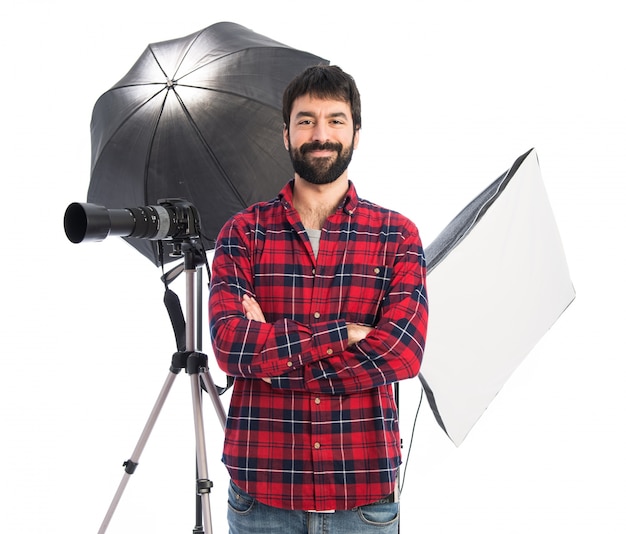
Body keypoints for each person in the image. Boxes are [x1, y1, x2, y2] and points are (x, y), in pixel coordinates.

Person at [208, 65, 428, 533]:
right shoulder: (242, 234)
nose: (320, 133)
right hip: (262, 497)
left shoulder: (397, 236)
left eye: (335, 119)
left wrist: (272, 361)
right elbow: (230, 347)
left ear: (356, 133)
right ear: (285, 134)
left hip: (364, 502)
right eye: (306, 120)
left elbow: (403, 354)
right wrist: (344, 335)